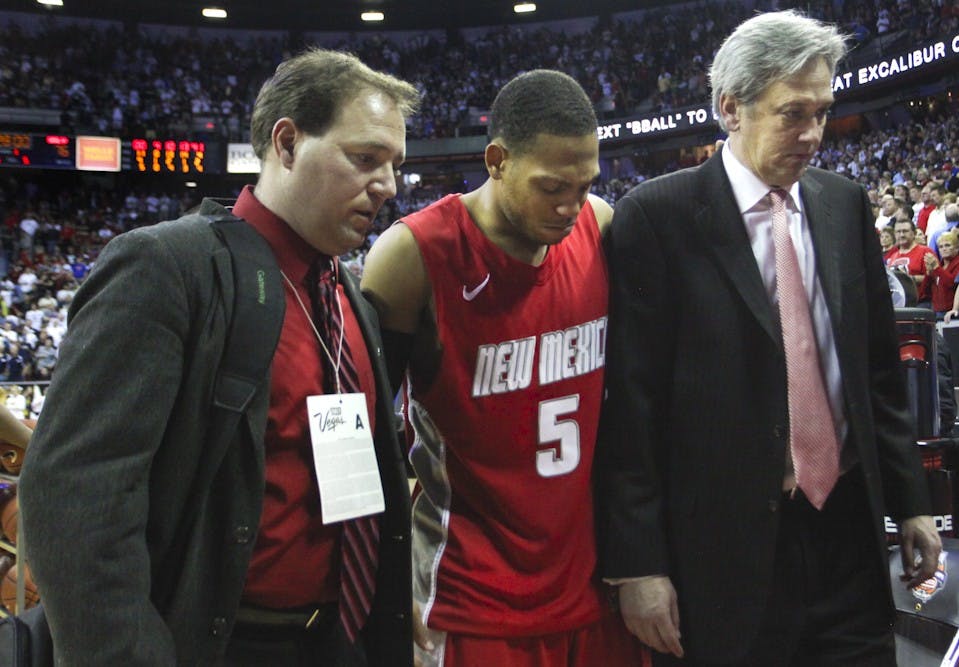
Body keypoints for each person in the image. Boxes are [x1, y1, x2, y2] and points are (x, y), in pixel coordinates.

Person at [19, 48, 419, 666]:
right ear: (286, 144)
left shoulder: (351, 299)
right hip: (217, 645)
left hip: (338, 638)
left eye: (394, 166)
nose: (388, 186)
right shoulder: (165, 267)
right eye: (365, 158)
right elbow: (74, 496)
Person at [599, 10, 940, 666]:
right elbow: (631, 408)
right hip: (721, 549)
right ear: (731, 107)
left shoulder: (842, 204)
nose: (813, 133)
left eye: (821, 111)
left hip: (847, 530)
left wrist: (911, 503)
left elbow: (876, 376)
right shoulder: (656, 216)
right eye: (792, 113)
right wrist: (637, 565)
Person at [361, 70, 647, 667]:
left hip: (595, 588)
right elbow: (366, 436)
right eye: (551, 187)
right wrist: (383, 581)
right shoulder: (413, 255)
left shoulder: (600, 225)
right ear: (497, 160)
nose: (569, 205)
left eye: (584, 183)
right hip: (469, 597)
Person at [924, 228, 959, 318]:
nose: (944, 249)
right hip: (936, 310)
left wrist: (937, 268)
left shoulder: (956, 263)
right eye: (941, 246)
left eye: (947, 245)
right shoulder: (939, 265)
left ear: (957, 248)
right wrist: (929, 273)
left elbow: (952, 284)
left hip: (952, 311)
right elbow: (926, 290)